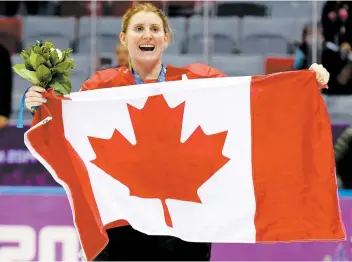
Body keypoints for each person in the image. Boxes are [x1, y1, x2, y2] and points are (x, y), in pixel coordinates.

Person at [23, 3, 330, 261]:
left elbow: (251, 100)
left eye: (155, 29)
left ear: (166, 39)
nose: (147, 35)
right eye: (139, 28)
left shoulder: (198, 80)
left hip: (185, 229)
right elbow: (67, 133)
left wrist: (303, 84)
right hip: (121, 229)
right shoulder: (100, 86)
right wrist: (39, 104)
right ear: (124, 38)